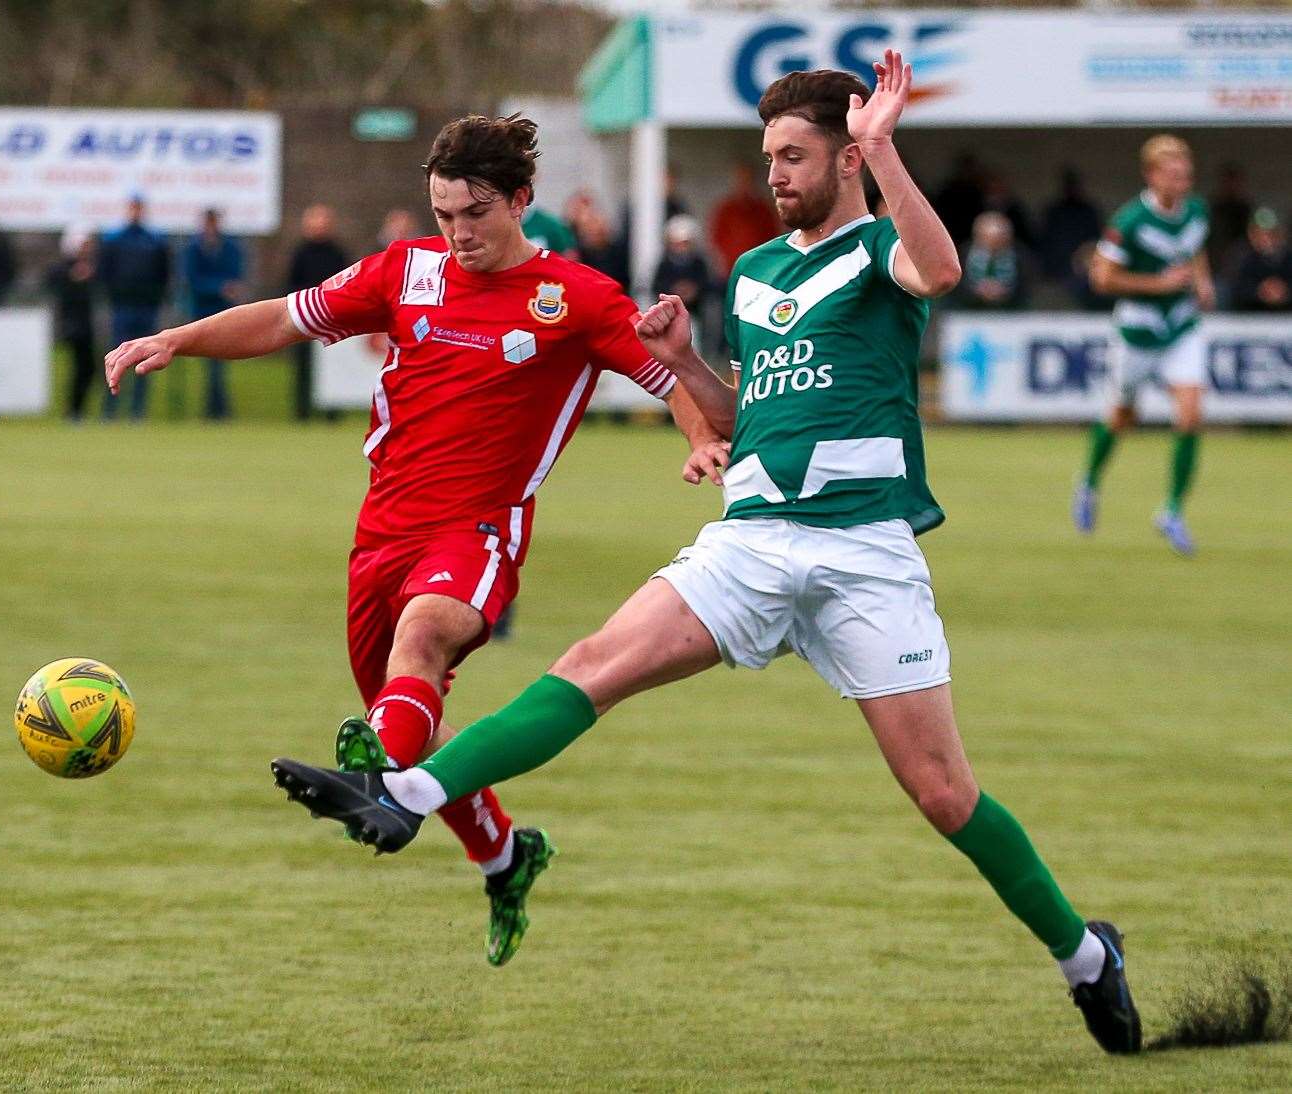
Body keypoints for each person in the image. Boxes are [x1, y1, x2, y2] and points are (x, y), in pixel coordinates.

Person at [270, 55, 1143, 1057]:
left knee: (941, 792)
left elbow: (938, 271)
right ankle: (405, 792)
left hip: (862, 551)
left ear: (847, 156)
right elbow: (744, 417)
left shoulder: (877, 253)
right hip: (751, 539)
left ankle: (1084, 955)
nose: (771, 172)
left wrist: (889, 149)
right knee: (591, 664)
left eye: (793, 154)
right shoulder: (755, 270)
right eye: (766, 153)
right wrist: (684, 362)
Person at [106, 113, 711, 965]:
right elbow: (284, 318)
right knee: (411, 718)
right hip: (380, 531)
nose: (459, 233)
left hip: (479, 527)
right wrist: (177, 338)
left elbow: (666, 375)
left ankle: (371, 788)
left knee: (424, 636)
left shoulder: (574, 296)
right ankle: (504, 854)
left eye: (476, 214)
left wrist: (699, 437)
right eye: (444, 214)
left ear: (521, 201)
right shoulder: (405, 271)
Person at [1073, 134, 1215, 556]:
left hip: (1181, 327)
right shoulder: (1130, 222)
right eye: (1174, 175)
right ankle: (1089, 483)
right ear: (1152, 174)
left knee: (1190, 413)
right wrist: (1158, 284)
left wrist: (1202, 282)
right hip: (1138, 332)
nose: (1182, 182)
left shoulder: (1197, 211)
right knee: (1121, 416)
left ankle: (1172, 510)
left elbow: (1194, 251)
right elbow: (1101, 279)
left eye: (1186, 175)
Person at [99, 196, 170, 421]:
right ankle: (110, 408)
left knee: (144, 359)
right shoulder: (115, 240)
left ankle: (137, 410)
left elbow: (164, 274)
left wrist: (155, 298)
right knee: (117, 356)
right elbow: (106, 273)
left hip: (146, 307)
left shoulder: (154, 241)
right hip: (122, 306)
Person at [285, 204, 350, 420]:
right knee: (304, 369)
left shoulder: (338, 252)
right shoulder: (300, 253)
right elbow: (290, 284)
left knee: (333, 369)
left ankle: (332, 413)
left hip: (332, 319)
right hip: (304, 317)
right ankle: (302, 412)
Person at [183, 208, 245, 420]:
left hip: (224, 312)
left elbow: (237, 274)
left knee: (219, 366)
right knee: (212, 366)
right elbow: (192, 280)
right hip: (203, 312)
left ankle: (217, 409)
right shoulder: (194, 248)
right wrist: (219, 287)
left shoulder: (230, 247)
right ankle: (216, 410)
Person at [46, 227, 99, 420]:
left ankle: (77, 409)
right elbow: (53, 283)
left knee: (87, 368)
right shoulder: (64, 268)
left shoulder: (91, 267)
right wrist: (72, 277)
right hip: (71, 323)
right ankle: (73, 409)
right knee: (78, 367)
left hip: (86, 324)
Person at [708, 160, 780, 276]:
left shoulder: (763, 209)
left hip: (759, 267)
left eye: (747, 179)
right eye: (741, 179)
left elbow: (773, 237)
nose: (744, 183)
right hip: (732, 268)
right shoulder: (726, 209)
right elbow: (716, 237)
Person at [1039, 168, 1102, 283]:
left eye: (1075, 186)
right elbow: (1045, 241)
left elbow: (1096, 239)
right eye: (1069, 187)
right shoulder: (1054, 211)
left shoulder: (1088, 211)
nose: (1072, 190)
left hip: (1084, 265)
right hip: (1058, 265)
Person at [1226, 206, 1292, 313]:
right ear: (1250, 233)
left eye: (1270, 233)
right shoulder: (1240, 255)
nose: (1265, 238)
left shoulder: (1288, 256)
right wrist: (1259, 291)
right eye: (1259, 233)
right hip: (1249, 319)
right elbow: (1232, 287)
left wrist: (1285, 290)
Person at [958, 211, 1028, 310]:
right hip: (967, 311)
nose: (993, 247)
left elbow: (1027, 286)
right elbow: (956, 284)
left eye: (999, 242)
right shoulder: (963, 254)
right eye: (988, 241)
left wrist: (1006, 291)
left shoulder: (1021, 256)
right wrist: (976, 290)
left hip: (1012, 312)